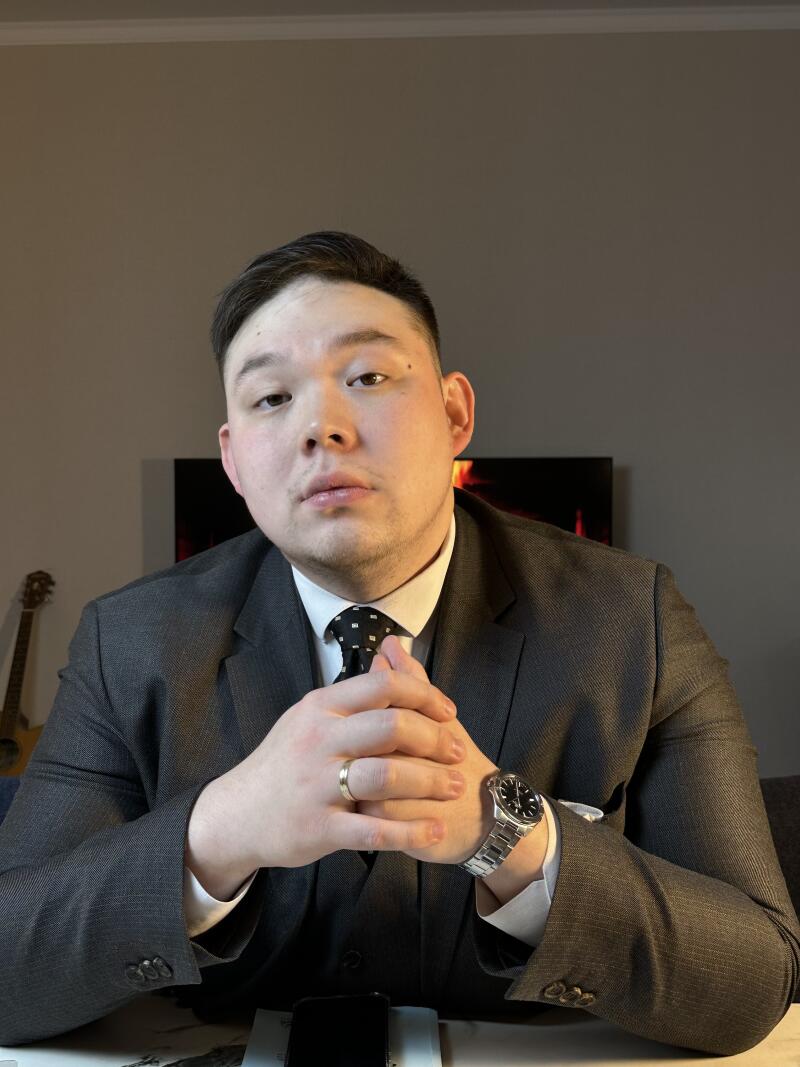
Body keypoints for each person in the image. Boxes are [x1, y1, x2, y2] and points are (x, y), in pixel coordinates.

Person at [0, 231, 797, 1054]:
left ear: (455, 413)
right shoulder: (128, 641)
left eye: (368, 377)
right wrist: (219, 831)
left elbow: (755, 980)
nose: (323, 427)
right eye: (272, 398)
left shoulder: (635, 622)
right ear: (234, 462)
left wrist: (509, 832)